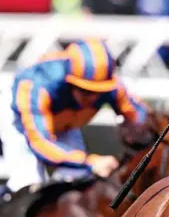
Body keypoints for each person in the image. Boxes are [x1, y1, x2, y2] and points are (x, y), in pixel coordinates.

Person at [0, 39, 149, 195]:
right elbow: (40, 143)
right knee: (27, 183)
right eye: (85, 90)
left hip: (65, 124)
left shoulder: (113, 87)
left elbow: (143, 118)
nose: (92, 98)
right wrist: (89, 162)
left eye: (99, 92)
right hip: (21, 123)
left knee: (77, 180)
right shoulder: (36, 87)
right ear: (69, 81)